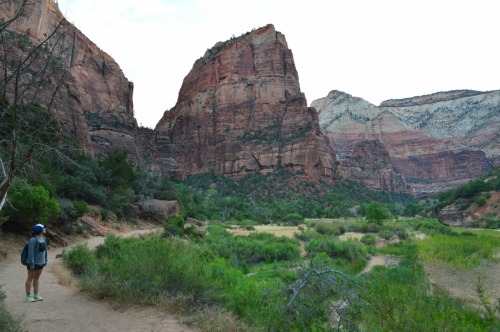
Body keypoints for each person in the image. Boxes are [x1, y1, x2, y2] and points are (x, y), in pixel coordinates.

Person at [25, 223, 48, 303]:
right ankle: (28, 296)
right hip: (33, 263)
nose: (45, 229)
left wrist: (45, 260)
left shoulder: (44, 238)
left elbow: (45, 251)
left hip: (41, 263)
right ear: (40, 230)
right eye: (44, 228)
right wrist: (31, 263)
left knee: (37, 278)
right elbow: (30, 253)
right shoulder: (33, 240)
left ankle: (36, 294)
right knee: (30, 278)